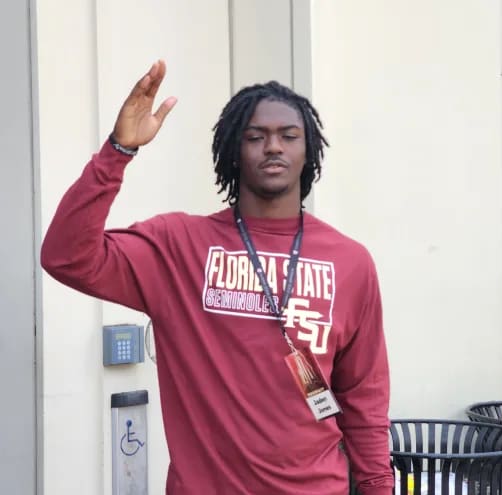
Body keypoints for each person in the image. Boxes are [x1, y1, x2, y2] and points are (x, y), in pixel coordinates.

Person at [41, 60, 393, 495]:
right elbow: (65, 256)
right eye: (255, 136)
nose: (273, 147)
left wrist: (379, 486)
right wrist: (118, 152)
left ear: (309, 150)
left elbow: (365, 397)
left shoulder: (351, 262)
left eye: (288, 135)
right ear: (234, 149)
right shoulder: (178, 245)